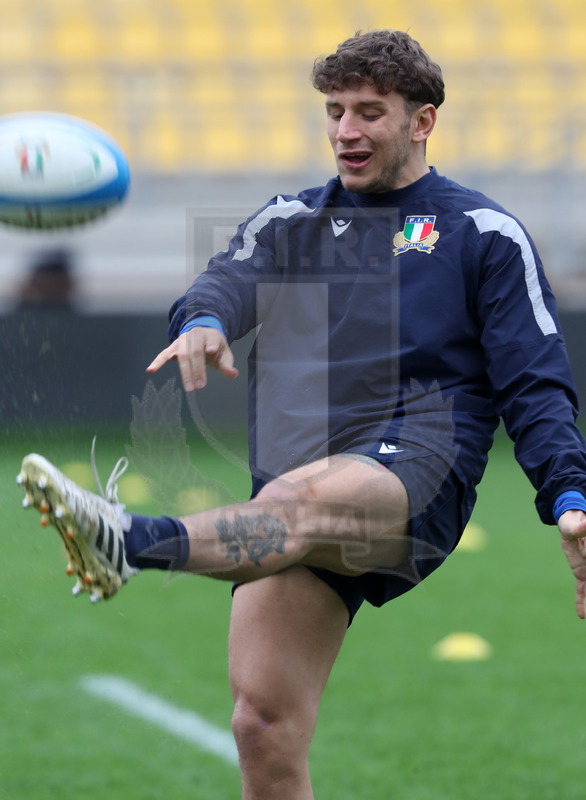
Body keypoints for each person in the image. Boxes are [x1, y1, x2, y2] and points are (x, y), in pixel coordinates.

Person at [18, 29, 586, 800]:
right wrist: (202, 322)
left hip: (417, 468)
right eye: (335, 110)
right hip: (299, 480)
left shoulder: (480, 234)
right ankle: (132, 543)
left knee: (292, 502)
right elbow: (224, 279)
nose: (346, 130)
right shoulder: (292, 220)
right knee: (263, 723)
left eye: (370, 112)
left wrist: (570, 497)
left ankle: (125, 539)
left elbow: (536, 382)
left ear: (422, 121)